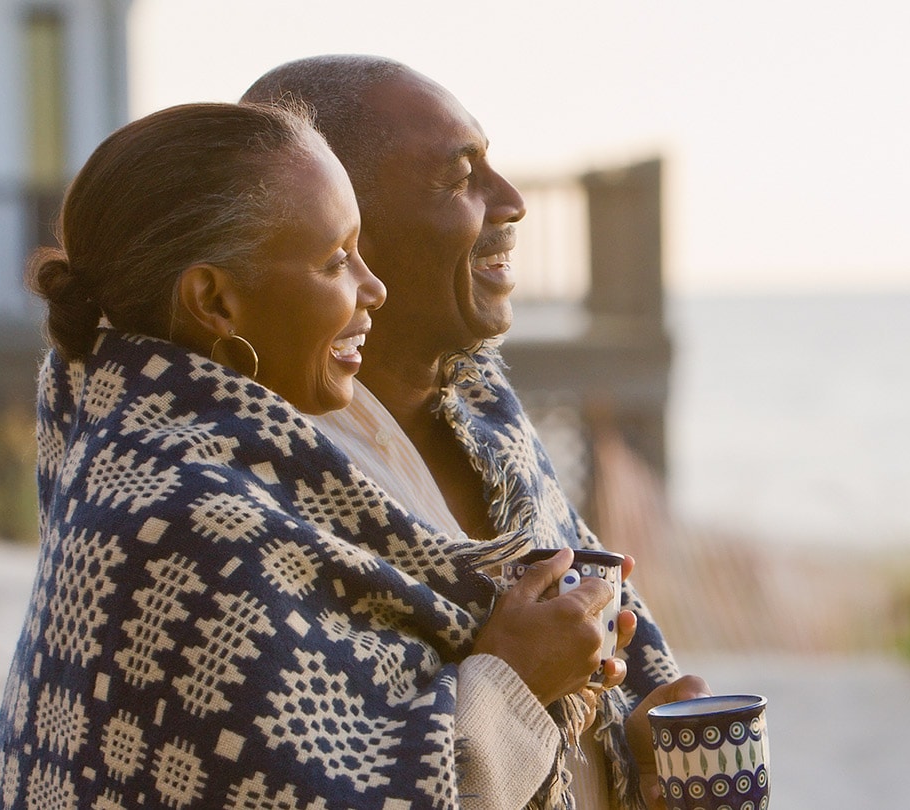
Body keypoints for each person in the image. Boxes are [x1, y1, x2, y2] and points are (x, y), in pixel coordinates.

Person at [0, 102, 639, 809]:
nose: (372, 287)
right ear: (215, 300)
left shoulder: (190, 459)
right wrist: (514, 682)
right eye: (336, 260)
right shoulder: (186, 518)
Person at [244, 56, 714, 810]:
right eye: (461, 178)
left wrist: (628, 767)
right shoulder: (247, 481)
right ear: (334, 215)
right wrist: (513, 685)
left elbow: (577, 701)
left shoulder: (488, 412)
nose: (513, 202)